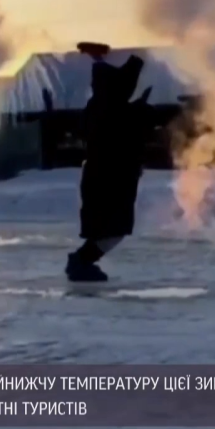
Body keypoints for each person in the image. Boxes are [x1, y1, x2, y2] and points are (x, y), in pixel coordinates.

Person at [65, 48, 155, 282]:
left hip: (106, 179)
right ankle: (80, 261)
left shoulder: (102, 105)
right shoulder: (111, 109)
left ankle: (81, 260)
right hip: (108, 181)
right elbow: (122, 130)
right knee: (111, 230)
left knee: (108, 230)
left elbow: (120, 123)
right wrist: (141, 110)